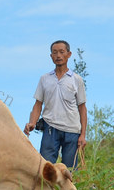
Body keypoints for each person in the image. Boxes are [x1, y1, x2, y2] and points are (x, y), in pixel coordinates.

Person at [24, 40, 87, 169]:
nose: (58, 55)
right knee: (46, 168)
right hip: (50, 128)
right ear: (51, 56)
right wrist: (32, 123)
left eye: (62, 52)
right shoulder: (45, 79)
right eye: (55, 52)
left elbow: (82, 108)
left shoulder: (76, 79)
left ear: (69, 54)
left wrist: (82, 135)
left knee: (69, 171)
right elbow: (38, 104)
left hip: (72, 130)